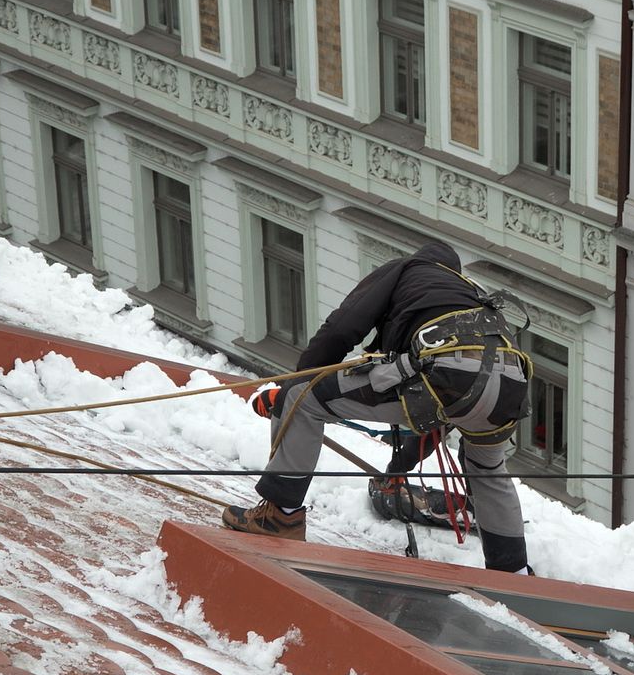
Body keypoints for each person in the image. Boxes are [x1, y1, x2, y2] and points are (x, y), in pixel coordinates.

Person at [223, 241, 535, 574]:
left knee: (304, 396)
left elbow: (341, 330)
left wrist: (288, 391)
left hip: (445, 372)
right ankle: (512, 575)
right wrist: (397, 468)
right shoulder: (472, 296)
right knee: (488, 470)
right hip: (510, 387)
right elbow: (439, 419)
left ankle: (280, 516)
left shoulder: (406, 269)